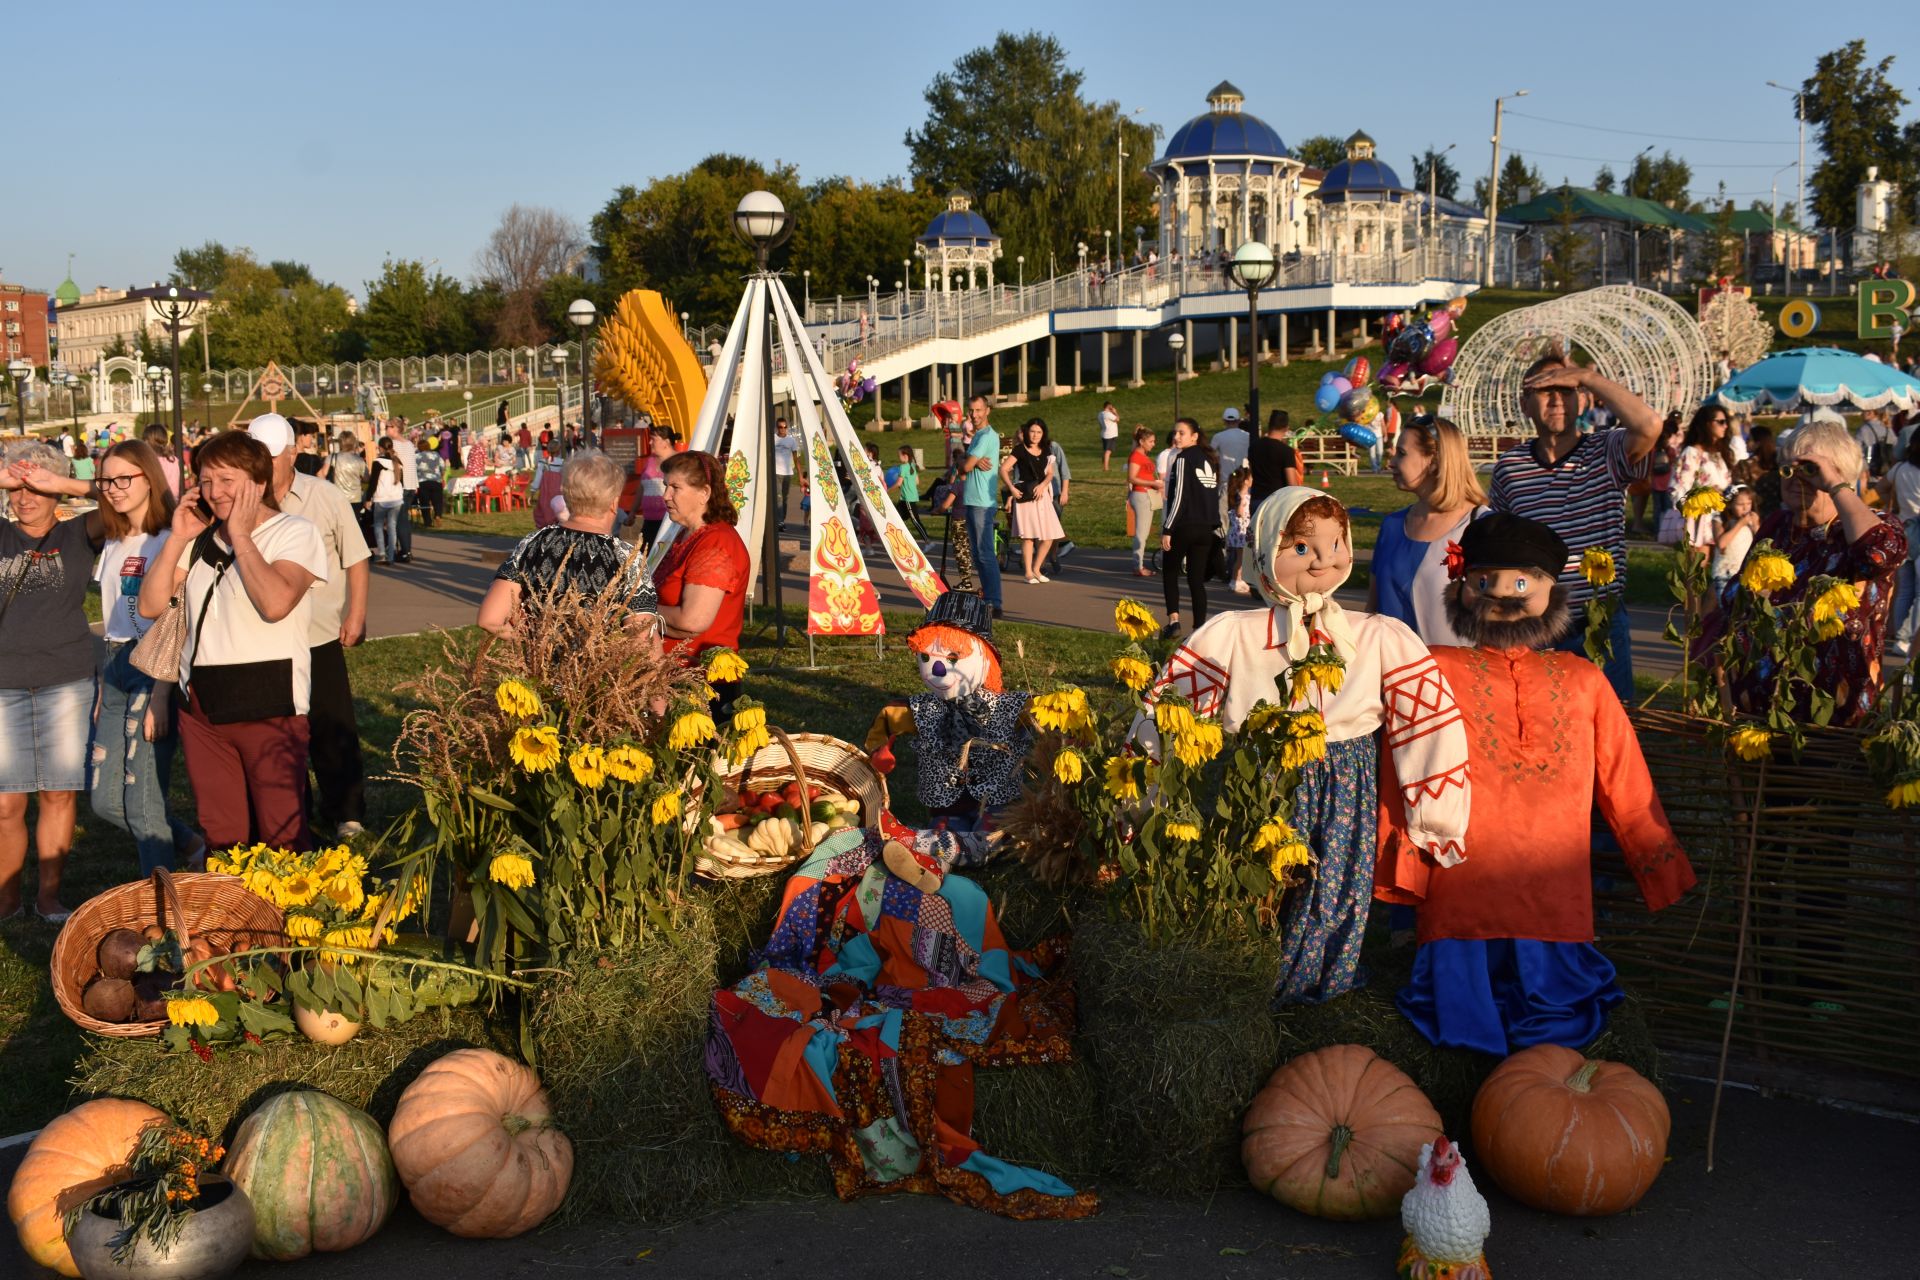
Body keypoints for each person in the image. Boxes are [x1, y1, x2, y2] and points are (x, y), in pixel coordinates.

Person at [1134, 489, 1472, 1003]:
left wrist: (1436, 814)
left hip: (1345, 779)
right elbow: (1169, 712)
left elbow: (1426, 721)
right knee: (1257, 873)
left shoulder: (1378, 636)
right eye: (1301, 548)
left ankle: (1323, 971)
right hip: (1261, 775)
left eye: (1335, 544)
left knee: (1337, 880)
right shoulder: (1231, 635)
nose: (1322, 560)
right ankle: (1252, 967)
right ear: (1267, 552)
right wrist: (1139, 797)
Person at [1377, 512, 1694, 1056]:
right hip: (1461, 885)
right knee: (1465, 1023)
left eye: (1522, 582)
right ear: (1462, 588)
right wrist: (1405, 869)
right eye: (1486, 581)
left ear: (1552, 592)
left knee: (1548, 1028)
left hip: (1555, 888)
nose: (1503, 593)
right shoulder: (1432, 671)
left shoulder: (1584, 679)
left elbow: (1625, 780)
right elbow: (1402, 772)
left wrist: (1657, 864)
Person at [138, 431, 328, 853]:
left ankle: (288, 917)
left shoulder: (294, 532)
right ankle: (231, 915)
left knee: (282, 833)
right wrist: (177, 538)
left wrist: (241, 536)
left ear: (258, 483)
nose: (214, 491)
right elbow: (151, 606)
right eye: (205, 481)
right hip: (203, 705)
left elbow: (276, 602)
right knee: (222, 833)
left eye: (227, 480)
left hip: (270, 699)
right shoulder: (201, 537)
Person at [1699, 416, 1907, 726]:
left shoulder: (1872, 527)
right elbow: (1736, 600)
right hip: (1758, 715)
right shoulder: (1777, 527)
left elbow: (1878, 555)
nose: (1796, 478)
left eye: (1810, 470)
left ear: (1839, 475)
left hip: (1834, 716)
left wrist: (1835, 486)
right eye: (1789, 468)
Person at [1488, 344, 1662, 701]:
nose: (1556, 400)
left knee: (1610, 726)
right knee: (1543, 727)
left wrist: (1586, 376)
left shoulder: (1606, 451)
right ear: (1525, 404)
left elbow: (1650, 425)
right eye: (1545, 390)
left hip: (1599, 621)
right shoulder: (1510, 467)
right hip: (1534, 626)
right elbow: (1501, 549)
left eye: (1566, 390)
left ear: (1582, 401)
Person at [247, 414, 373, 841]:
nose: (263, 465)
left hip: (318, 632)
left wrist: (356, 614)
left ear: (292, 453)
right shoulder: (245, 501)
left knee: (331, 723)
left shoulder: (325, 496)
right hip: (265, 637)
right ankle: (290, 807)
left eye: (270, 456)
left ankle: (346, 809)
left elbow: (356, 557)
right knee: (280, 730)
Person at [81, 442, 203, 874]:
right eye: (106, 480)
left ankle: (160, 905)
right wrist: (102, 684)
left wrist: (160, 695)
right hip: (114, 665)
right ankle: (190, 844)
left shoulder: (171, 539)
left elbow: (175, 621)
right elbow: (112, 619)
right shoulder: (114, 540)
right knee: (104, 799)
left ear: (148, 477)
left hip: (153, 666)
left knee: (144, 799)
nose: (113, 489)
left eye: (123, 479)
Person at [0, 443, 109, 920]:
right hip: (3, 684)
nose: (24, 499)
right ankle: (6, 900)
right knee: (5, 803)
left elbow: (132, 500)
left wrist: (65, 483)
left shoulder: (77, 535)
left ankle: (48, 897)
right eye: (17, 489)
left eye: (34, 488)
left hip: (65, 681)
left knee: (58, 793)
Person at [478, 451, 656, 636]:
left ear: (567, 498)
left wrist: (532, 642)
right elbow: (642, 640)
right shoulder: (628, 558)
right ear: (613, 503)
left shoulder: (533, 543)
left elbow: (489, 619)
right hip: (597, 662)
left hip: (538, 662)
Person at [1368, 416, 1489, 647]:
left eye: (1401, 454)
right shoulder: (1392, 526)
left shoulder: (1482, 526)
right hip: (1392, 677)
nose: (1391, 463)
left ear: (1433, 461)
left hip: (1457, 679)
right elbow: (1373, 611)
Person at [651, 451, 751, 710]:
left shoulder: (716, 544)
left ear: (704, 493)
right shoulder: (686, 535)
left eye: (675, 487)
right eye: (665, 486)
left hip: (699, 687)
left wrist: (637, 614)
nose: (666, 496)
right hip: (674, 679)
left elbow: (693, 621)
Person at [1160, 417, 1221, 640]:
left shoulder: (1183, 459)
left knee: (1170, 572)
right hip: (1206, 528)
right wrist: (1215, 525)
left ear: (1194, 436)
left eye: (1182, 433)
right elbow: (1212, 495)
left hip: (1185, 526)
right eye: (1175, 432)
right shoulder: (1209, 459)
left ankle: (1174, 622)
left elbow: (1179, 498)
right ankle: (1198, 631)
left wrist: (1168, 528)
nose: (1176, 437)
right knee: (1196, 580)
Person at [1001, 418, 1066, 586]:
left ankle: (1037, 568)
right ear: (1026, 432)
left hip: (1042, 497)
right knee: (1028, 537)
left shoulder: (1046, 449)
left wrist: (1043, 485)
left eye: (1039, 432)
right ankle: (1029, 572)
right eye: (1032, 431)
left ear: (1043, 433)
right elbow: (1004, 469)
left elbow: (1050, 473)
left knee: (1049, 535)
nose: (1035, 435)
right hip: (1026, 497)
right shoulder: (1020, 450)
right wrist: (1012, 489)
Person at [957, 395, 1003, 618]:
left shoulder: (987, 436)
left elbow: (964, 466)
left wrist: (968, 463)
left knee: (985, 554)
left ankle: (994, 601)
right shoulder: (977, 437)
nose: (974, 415)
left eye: (978, 410)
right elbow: (963, 464)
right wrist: (968, 463)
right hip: (972, 501)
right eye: (971, 411)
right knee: (977, 554)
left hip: (982, 504)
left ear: (987, 411)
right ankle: (987, 598)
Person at [1670, 404, 1737, 553]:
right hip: (1700, 519)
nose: (1725, 426)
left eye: (1726, 422)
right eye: (1720, 422)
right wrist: (1705, 493)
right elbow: (1679, 487)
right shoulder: (1692, 452)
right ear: (1707, 424)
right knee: (1698, 569)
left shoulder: (1720, 453)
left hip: (1721, 517)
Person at [1887, 433, 1920, 657]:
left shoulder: (1900, 469)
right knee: (1918, 592)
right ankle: (1908, 637)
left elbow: (1881, 488)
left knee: (1905, 588)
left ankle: (1900, 635)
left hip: (1903, 528)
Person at [1709, 485, 1759, 595]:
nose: (1745, 508)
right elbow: (1721, 544)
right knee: (1728, 607)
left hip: (1745, 572)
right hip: (1725, 573)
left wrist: (1755, 526)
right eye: (1740, 505)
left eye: (1749, 504)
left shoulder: (1751, 521)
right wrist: (1740, 524)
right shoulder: (1720, 519)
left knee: (1743, 608)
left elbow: (1760, 543)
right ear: (1730, 504)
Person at [1247, 410, 1301, 511]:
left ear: (1269, 425)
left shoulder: (1254, 447)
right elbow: (1292, 483)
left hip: (1257, 500)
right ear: (1286, 428)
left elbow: (1250, 473)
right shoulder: (1286, 451)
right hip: (1277, 501)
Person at [363, 437, 405, 566]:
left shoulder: (378, 462)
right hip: (396, 498)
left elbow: (373, 483)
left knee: (378, 525)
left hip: (382, 498)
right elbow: (401, 482)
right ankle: (391, 555)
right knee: (392, 526)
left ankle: (381, 554)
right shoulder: (398, 462)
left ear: (380, 448)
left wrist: (368, 498)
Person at [1125, 427, 1159, 579]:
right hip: (1141, 495)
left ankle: (1138, 565)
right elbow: (1132, 478)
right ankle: (1137, 566)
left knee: (1143, 533)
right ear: (1141, 441)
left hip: (1146, 494)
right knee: (1141, 533)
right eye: (1150, 441)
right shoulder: (1136, 456)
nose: (1153, 444)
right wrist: (1153, 483)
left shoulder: (1142, 455)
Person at [385, 421, 418, 562]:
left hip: (402, 485)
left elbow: (393, 463)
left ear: (396, 429)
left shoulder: (394, 444)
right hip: (411, 484)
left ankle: (405, 551)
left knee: (400, 519)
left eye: (388, 427)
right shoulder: (409, 444)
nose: (386, 429)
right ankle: (407, 550)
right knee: (404, 518)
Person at [1042, 430, 1074, 576]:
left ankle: (1053, 556)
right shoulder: (1030, 449)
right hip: (1039, 495)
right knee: (1040, 530)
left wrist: (1065, 491)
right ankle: (1040, 562)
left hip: (1055, 494)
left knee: (1054, 530)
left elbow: (1064, 471)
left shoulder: (1053, 447)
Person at [1734, 424, 1782, 518]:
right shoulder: (1779, 464)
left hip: (1753, 515)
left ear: (1758, 443)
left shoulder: (1744, 466)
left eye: (1749, 439)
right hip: (1778, 515)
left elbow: (1738, 491)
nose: (1746, 441)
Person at [1224, 468, 1252, 594]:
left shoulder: (1237, 494)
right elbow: (1240, 513)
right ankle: (1235, 581)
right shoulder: (1241, 496)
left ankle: (1237, 580)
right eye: (1250, 478)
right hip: (1241, 532)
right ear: (1246, 481)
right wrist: (1241, 504)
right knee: (1241, 559)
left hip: (1238, 532)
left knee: (1240, 558)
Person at [772, 418, 800, 530]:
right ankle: (779, 522)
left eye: (784, 427)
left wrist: (801, 476)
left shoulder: (791, 441)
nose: (782, 429)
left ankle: (781, 519)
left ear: (787, 428)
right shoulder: (773, 439)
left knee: (785, 498)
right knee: (778, 497)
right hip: (776, 472)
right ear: (777, 428)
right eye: (780, 427)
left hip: (788, 473)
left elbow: (796, 458)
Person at [143, 424, 183, 497]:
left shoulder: (151, 461)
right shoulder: (173, 459)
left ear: (148, 441)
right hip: (173, 500)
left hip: (157, 501)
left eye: (145, 440)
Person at [416, 438, 445, 526]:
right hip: (436, 481)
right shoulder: (436, 454)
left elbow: (413, 469)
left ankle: (427, 521)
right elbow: (442, 467)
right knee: (437, 501)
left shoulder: (416, 456)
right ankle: (437, 515)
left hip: (422, 482)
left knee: (424, 502)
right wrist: (441, 476)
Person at [1098, 401, 1120, 470]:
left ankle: (1104, 465)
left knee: (1105, 451)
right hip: (1110, 435)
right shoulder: (1108, 414)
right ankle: (1106, 468)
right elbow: (1118, 419)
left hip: (1104, 433)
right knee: (1108, 451)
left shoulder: (1100, 414)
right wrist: (1115, 412)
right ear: (1109, 407)